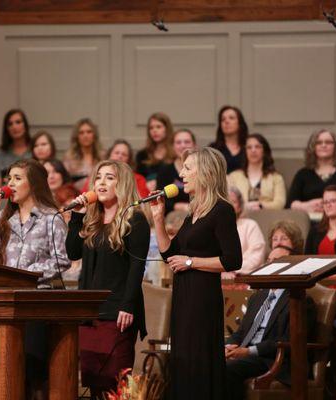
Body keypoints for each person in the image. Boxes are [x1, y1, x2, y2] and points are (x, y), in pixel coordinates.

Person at [150, 147, 242, 399]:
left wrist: (191, 262)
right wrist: (158, 220)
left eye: (188, 168)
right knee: (183, 359)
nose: (181, 173)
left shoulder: (221, 209)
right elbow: (170, 256)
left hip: (202, 296)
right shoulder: (193, 213)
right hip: (183, 295)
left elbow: (233, 260)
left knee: (198, 360)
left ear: (207, 173)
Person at [0, 159, 70, 397]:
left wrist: (28, 276)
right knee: (11, 370)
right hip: (10, 304)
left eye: (17, 178)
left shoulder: (51, 218)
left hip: (37, 302)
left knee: (33, 371)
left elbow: (62, 260)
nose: (10, 183)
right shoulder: (7, 219)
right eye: (9, 178)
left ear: (34, 184)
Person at [65, 160, 150, 398]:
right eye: (98, 177)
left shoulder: (135, 220)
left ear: (121, 184)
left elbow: (137, 267)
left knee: (115, 379)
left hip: (118, 312)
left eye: (109, 177)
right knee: (93, 379)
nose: (101, 182)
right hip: (90, 311)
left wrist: (128, 304)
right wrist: (76, 217)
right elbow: (73, 252)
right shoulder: (92, 220)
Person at [224, 288, 316, 400]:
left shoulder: (300, 300)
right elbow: (242, 331)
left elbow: (290, 340)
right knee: (208, 363)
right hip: (247, 353)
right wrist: (228, 346)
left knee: (226, 368)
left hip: (272, 358)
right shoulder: (257, 297)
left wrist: (249, 351)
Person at [288, 129, 336, 220]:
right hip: (309, 222)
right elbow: (291, 203)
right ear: (312, 147)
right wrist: (306, 206)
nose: (323, 145)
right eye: (318, 142)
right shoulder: (303, 174)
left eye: (328, 142)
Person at [228, 133, 286, 211]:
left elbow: (280, 203)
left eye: (257, 147)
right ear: (245, 151)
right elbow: (228, 202)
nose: (253, 150)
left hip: (268, 218)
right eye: (249, 147)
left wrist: (261, 205)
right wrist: (244, 206)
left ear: (264, 151)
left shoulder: (276, 177)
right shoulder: (233, 176)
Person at [222, 187, 266, 279]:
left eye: (233, 202)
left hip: (245, 277)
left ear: (239, 207)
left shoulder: (250, 225)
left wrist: (229, 269)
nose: (229, 205)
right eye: (226, 201)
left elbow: (256, 257)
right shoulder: (211, 227)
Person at [81, 139, 149, 198]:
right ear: (109, 155)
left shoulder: (138, 179)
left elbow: (144, 203)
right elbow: (84, 197)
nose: (120, 156)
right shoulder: (96, 175)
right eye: (117, 153)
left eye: (124, 154)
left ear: (129, 160)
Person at [156, 129, 197, 214]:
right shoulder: (165, 170)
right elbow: (160, 198)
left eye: (187, 142)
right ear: (172, 146)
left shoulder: (201, 169)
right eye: (178, 142)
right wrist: (178, 206)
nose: (183, 145)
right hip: (172, 215)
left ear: (194, 145)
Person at [0, 109, 32, 188]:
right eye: (10, 124)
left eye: (18, 122)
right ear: (7, 129)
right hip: (6, 197)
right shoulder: (0, 154)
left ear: (25, 125)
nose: (14, 127)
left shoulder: (35, 150)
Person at [136, 112, 175, 191]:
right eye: (151, 128)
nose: (154, 130)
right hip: (147, 195)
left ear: (167, 129)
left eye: (158, 127)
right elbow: (138, 179)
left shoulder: (176, 153)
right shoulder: (142, 155)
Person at [63, 118, 104, 191]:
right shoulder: (69, 157)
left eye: (89, 132)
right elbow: (65, 182)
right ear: (77, 137)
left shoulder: (103, 155)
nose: (85, 135)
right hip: (77, 197)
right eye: (81, 133)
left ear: (94, 135)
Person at [209, 105, 249, 174]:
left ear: (240, 123)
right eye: (223, 119)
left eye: (231, 118)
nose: (226, 121)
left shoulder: (249, 147)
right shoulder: (213, 149)